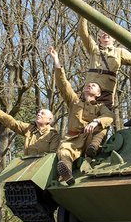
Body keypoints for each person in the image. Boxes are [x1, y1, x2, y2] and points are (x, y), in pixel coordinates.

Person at [48, 46, 114, 185]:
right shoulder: (74, 101)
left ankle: (92, 149)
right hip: (73, 138)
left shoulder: (100, 107)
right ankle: (67, 173)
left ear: (98, 94)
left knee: (103, 123)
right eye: (88, 85)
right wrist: (56, 60)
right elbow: (63, 84)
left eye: (94, 85)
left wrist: (95, 122)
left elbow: (109, 116)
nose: (89, 85)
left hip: (91, 139)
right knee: (64, 151)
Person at [78, 17, 131, 116]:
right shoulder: (94, 49)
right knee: (83, 116)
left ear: (114, 38)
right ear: (99, 38)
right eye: (103, 32)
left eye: (108, 32)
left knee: (105, 117)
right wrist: (84, 16)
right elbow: (83, 33)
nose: (105, 33)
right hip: (90, 90)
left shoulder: (119, 52)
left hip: (106, 91)